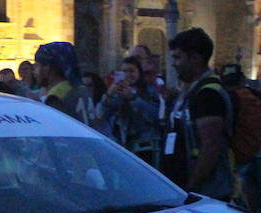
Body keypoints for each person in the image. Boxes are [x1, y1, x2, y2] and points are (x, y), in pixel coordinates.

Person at [161, 27, 233, 199]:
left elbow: (211, 146)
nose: (174, 63)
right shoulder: (190, 91)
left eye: (178, 57)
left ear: (195, 58)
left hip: (205, 192)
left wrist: (192, 187)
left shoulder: (208, 95)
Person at [100, 55, 162, 152]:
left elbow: (154, 114)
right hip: (123, 143)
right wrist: (109, 95)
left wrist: (133, 98)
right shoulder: (118, 92)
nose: (128, 75)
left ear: (139, 72)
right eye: (125, 71)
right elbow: (102, 114)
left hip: (145, 143)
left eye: (131, 71)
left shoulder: (149, 90)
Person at [34, 42, 81, 117]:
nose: (34, 71)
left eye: (36, 65)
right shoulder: (79, 88)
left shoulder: (55, 97)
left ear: (47, 68)